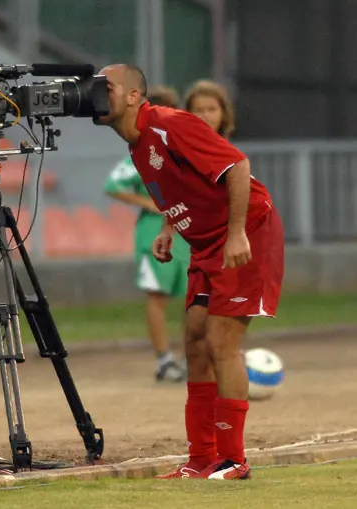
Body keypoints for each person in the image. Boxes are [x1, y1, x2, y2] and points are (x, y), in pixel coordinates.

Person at [96, 64, 284, 480]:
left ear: (132, 96)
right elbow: (178, 189)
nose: (95, 94)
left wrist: (236, 234)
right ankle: (201, 459)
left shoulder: (168, 124)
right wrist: (169, 226)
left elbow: (236, 166)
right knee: (195, 342)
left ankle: (234, 460)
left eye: (104, 87)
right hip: (203, 242)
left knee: (221, 340)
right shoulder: (137, 143)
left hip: (246, 230)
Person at [103, 86, 189, 383]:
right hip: (154, 232)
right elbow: (114, 185)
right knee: (157, 296)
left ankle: (193, 356)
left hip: (186, 232)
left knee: (196, 297)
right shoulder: (144, 151)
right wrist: (151, 204)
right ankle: (165, 359)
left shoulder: (179, 148)